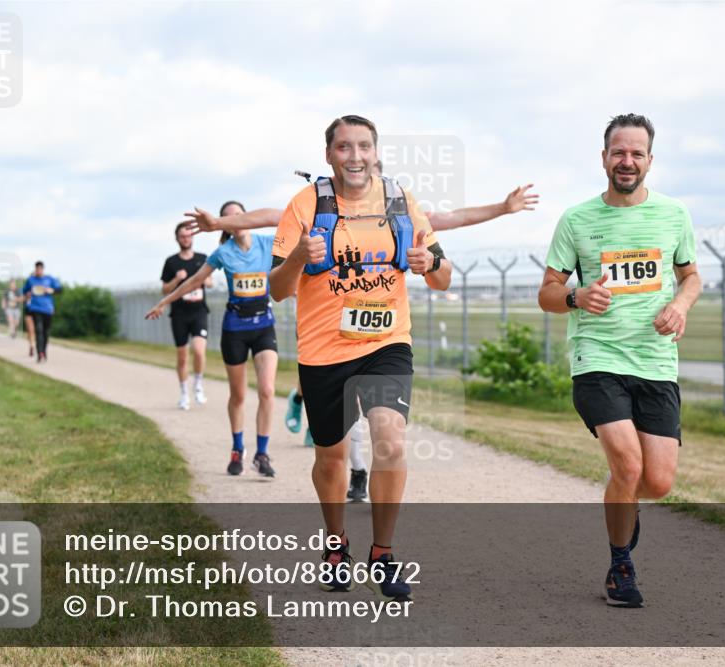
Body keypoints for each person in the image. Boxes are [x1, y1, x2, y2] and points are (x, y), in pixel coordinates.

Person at [192, 164, 539, 503]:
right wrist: (220, 224)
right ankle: (313, 413)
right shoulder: (321, 208)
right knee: (342, 419)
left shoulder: (398, 210)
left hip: (381, 338)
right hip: (326, 333)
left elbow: (453, 218)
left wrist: (503, 208)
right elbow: (268, 215)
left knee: (372, 415)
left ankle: (358, 472)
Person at [269, 115, 451, 601]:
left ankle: (383, 554)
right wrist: (297, 260)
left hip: (387, 344)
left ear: (376, 152)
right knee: (331, 457)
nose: (355, 156)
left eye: (364, 147)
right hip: (325, 350)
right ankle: (335, 545)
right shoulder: (304, 206)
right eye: (345, 147)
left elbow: (443, 276)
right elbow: (278, 290)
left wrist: (428, 263)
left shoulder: (400, 201)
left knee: (390, 440)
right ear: (329, 155)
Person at [538, 114, 701, 608]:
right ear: (604, 157)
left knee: (657, 481)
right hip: (597, 358)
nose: (626, 161)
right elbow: (546, 292)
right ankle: (620, 567)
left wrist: (680, 304)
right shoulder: (577, 220)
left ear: (649, 160)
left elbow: (691, 276)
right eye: (618, 152)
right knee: (627, 465)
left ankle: (624, 505)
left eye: (636, 153)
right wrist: (575, 297)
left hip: (655, 361)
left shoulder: (674, 214)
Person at [147, 214, 278, 478]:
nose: (238, 220)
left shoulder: (268, 242)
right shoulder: (223, 252)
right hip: (235, 329)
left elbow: (295, 255)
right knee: (239, 395)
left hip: (264, 325)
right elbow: (194, 281)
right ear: (225, 225)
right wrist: (165, 302)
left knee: (267, 389)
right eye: (230, 217)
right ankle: (237, 448)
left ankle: (261, 453)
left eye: (241, 214)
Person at [160, 223, 213, 410]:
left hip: (199, 311)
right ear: (177, 238)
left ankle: (198, 383)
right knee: (182, 356)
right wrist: (176, 279)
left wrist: (205, 279)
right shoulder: (171, 262)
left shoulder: (202, 259)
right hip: (179, 314)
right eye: (182, 236)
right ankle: (184, 393)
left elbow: (211, 283)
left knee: (199, 350)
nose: (186, 239)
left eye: (189, 236)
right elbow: (164, 289)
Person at [22, 261, 62, 363]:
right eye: (37, 269)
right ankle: (39, 353)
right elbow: (24, 291)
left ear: (43, 269)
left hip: (47, 309)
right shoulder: (31, 280)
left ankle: (44, 351)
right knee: (38, 330)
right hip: (35, 308)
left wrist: (51, 290)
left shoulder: (49, 279)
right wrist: (28, 294)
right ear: (35, 269)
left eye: (40, 269)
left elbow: (60, 290)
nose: (38, 271)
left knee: (45, 332)